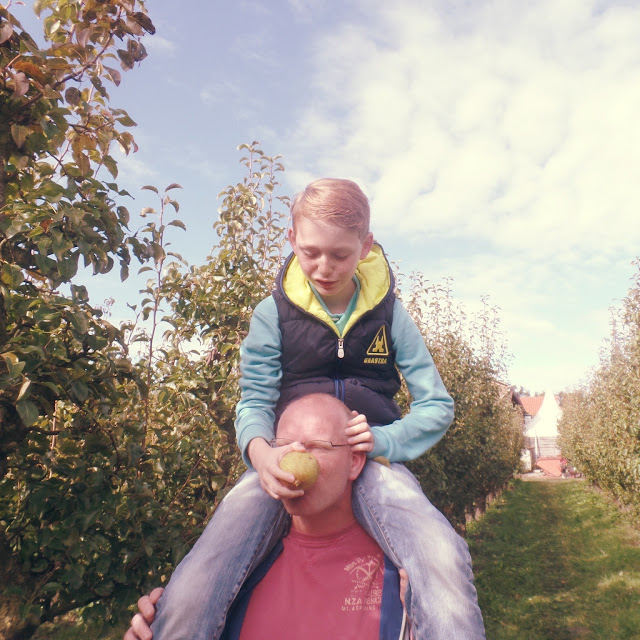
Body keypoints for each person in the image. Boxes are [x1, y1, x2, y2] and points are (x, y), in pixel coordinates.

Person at [150, 178, 486, 639]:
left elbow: (436, 405)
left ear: (365, 247)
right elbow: (254, 401)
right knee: (199, 576)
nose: (324, 267)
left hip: (371, 461)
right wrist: (261, 455)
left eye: (340, 255)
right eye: (310, 252)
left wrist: (385, 440)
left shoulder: (390, 316)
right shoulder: (272, 314)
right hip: (284, 458)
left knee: (441, 555)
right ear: (292, 239)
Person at [125, 394, 410, 640]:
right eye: (282, 445)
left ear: (354, 462)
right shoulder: (227, 577)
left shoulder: (403, 581)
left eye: (317, 446)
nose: (293, 459)